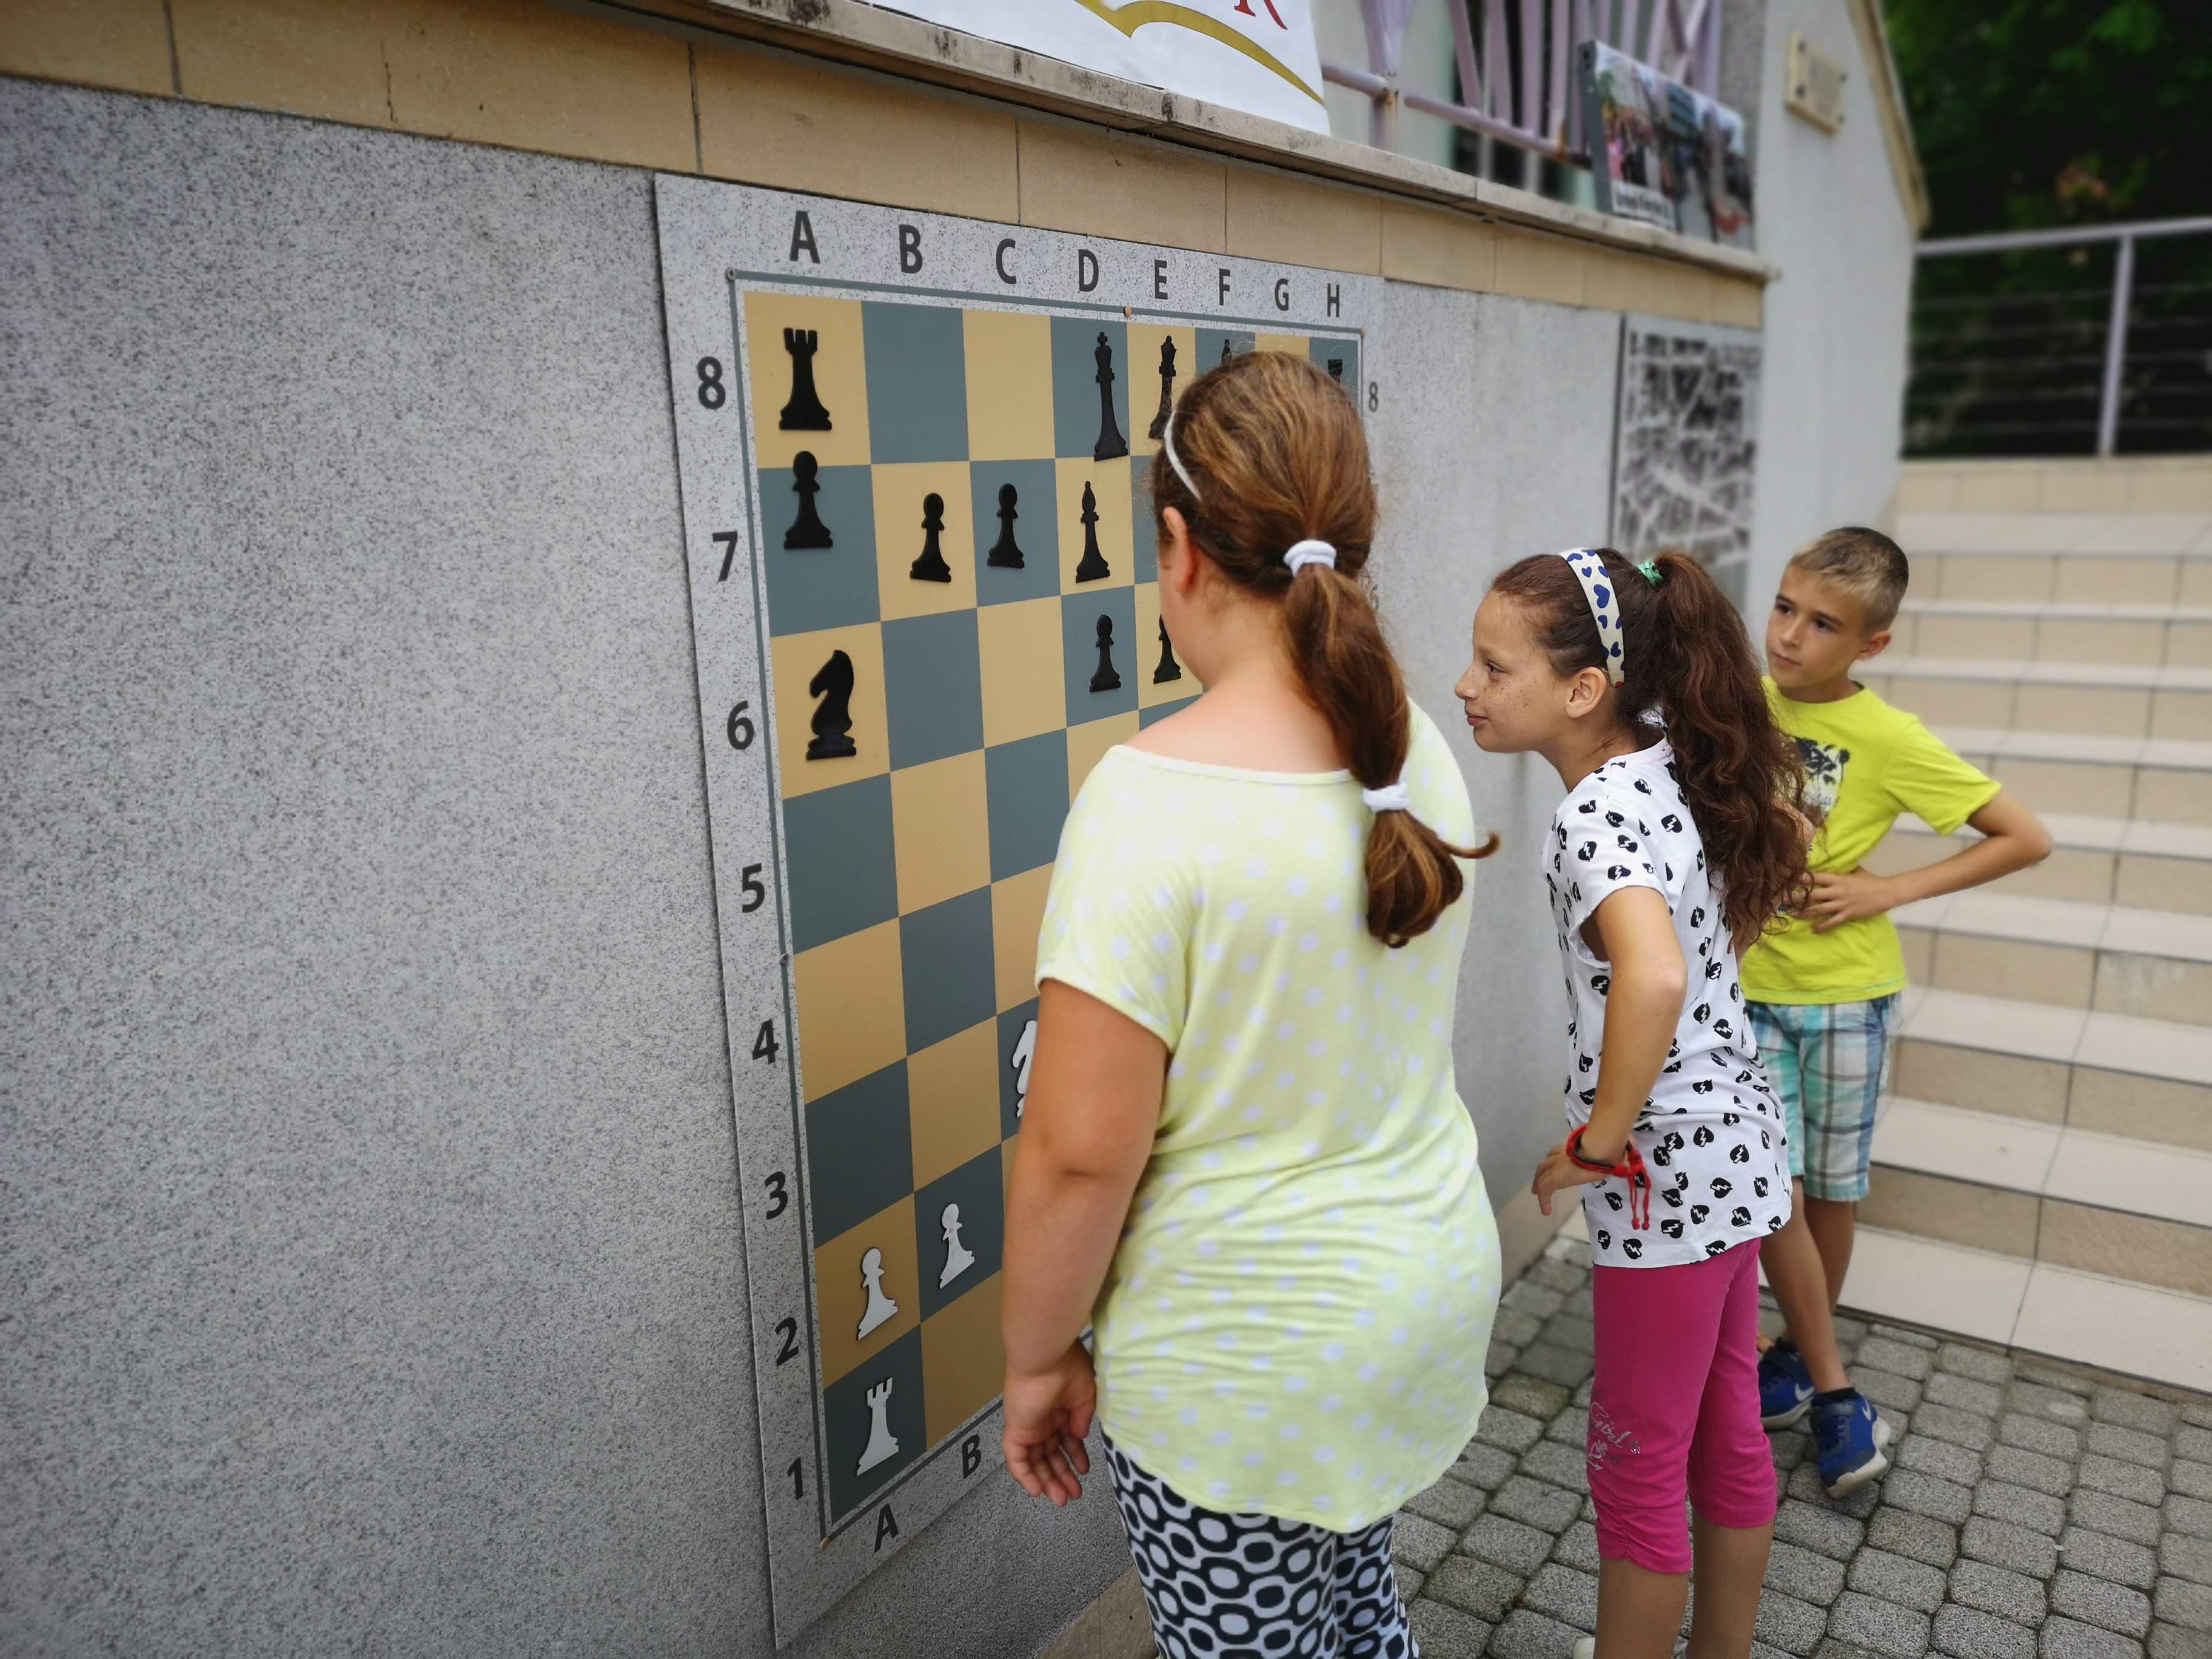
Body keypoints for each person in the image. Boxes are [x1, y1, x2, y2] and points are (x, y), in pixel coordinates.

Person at [997, 350, 1503, 1659]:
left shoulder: (1148, 805)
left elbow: (1076, 1156)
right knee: (1357, 1615)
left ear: (1177, 548)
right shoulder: (1407, 750)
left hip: (1247, 1362)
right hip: (1411, 1303)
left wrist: (1037, 1358)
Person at [1456, 546, 1807, 1659]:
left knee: (1637, 1464)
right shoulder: (1662, 760)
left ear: (1581, 690)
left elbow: (1652, 979)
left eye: (1493, 666)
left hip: (1669, 1176)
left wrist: (1596, 1146)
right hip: (1739, 1149)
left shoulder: (1593, 816)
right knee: (1727, 1433)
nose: (1467, 685)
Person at [1745, 528, 2050, 1495]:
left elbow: (2023, 836)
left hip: (1847, 999)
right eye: (1785, 607)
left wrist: (1888, 890)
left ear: (1870, 644)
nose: (1789, 635)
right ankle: (1824, 1375)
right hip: (1747, 991)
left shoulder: (1891, 738)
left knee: (1831, 1192)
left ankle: (1800, 1359)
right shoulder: (1740, 702)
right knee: (1773, 1189)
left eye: (1822, 624)